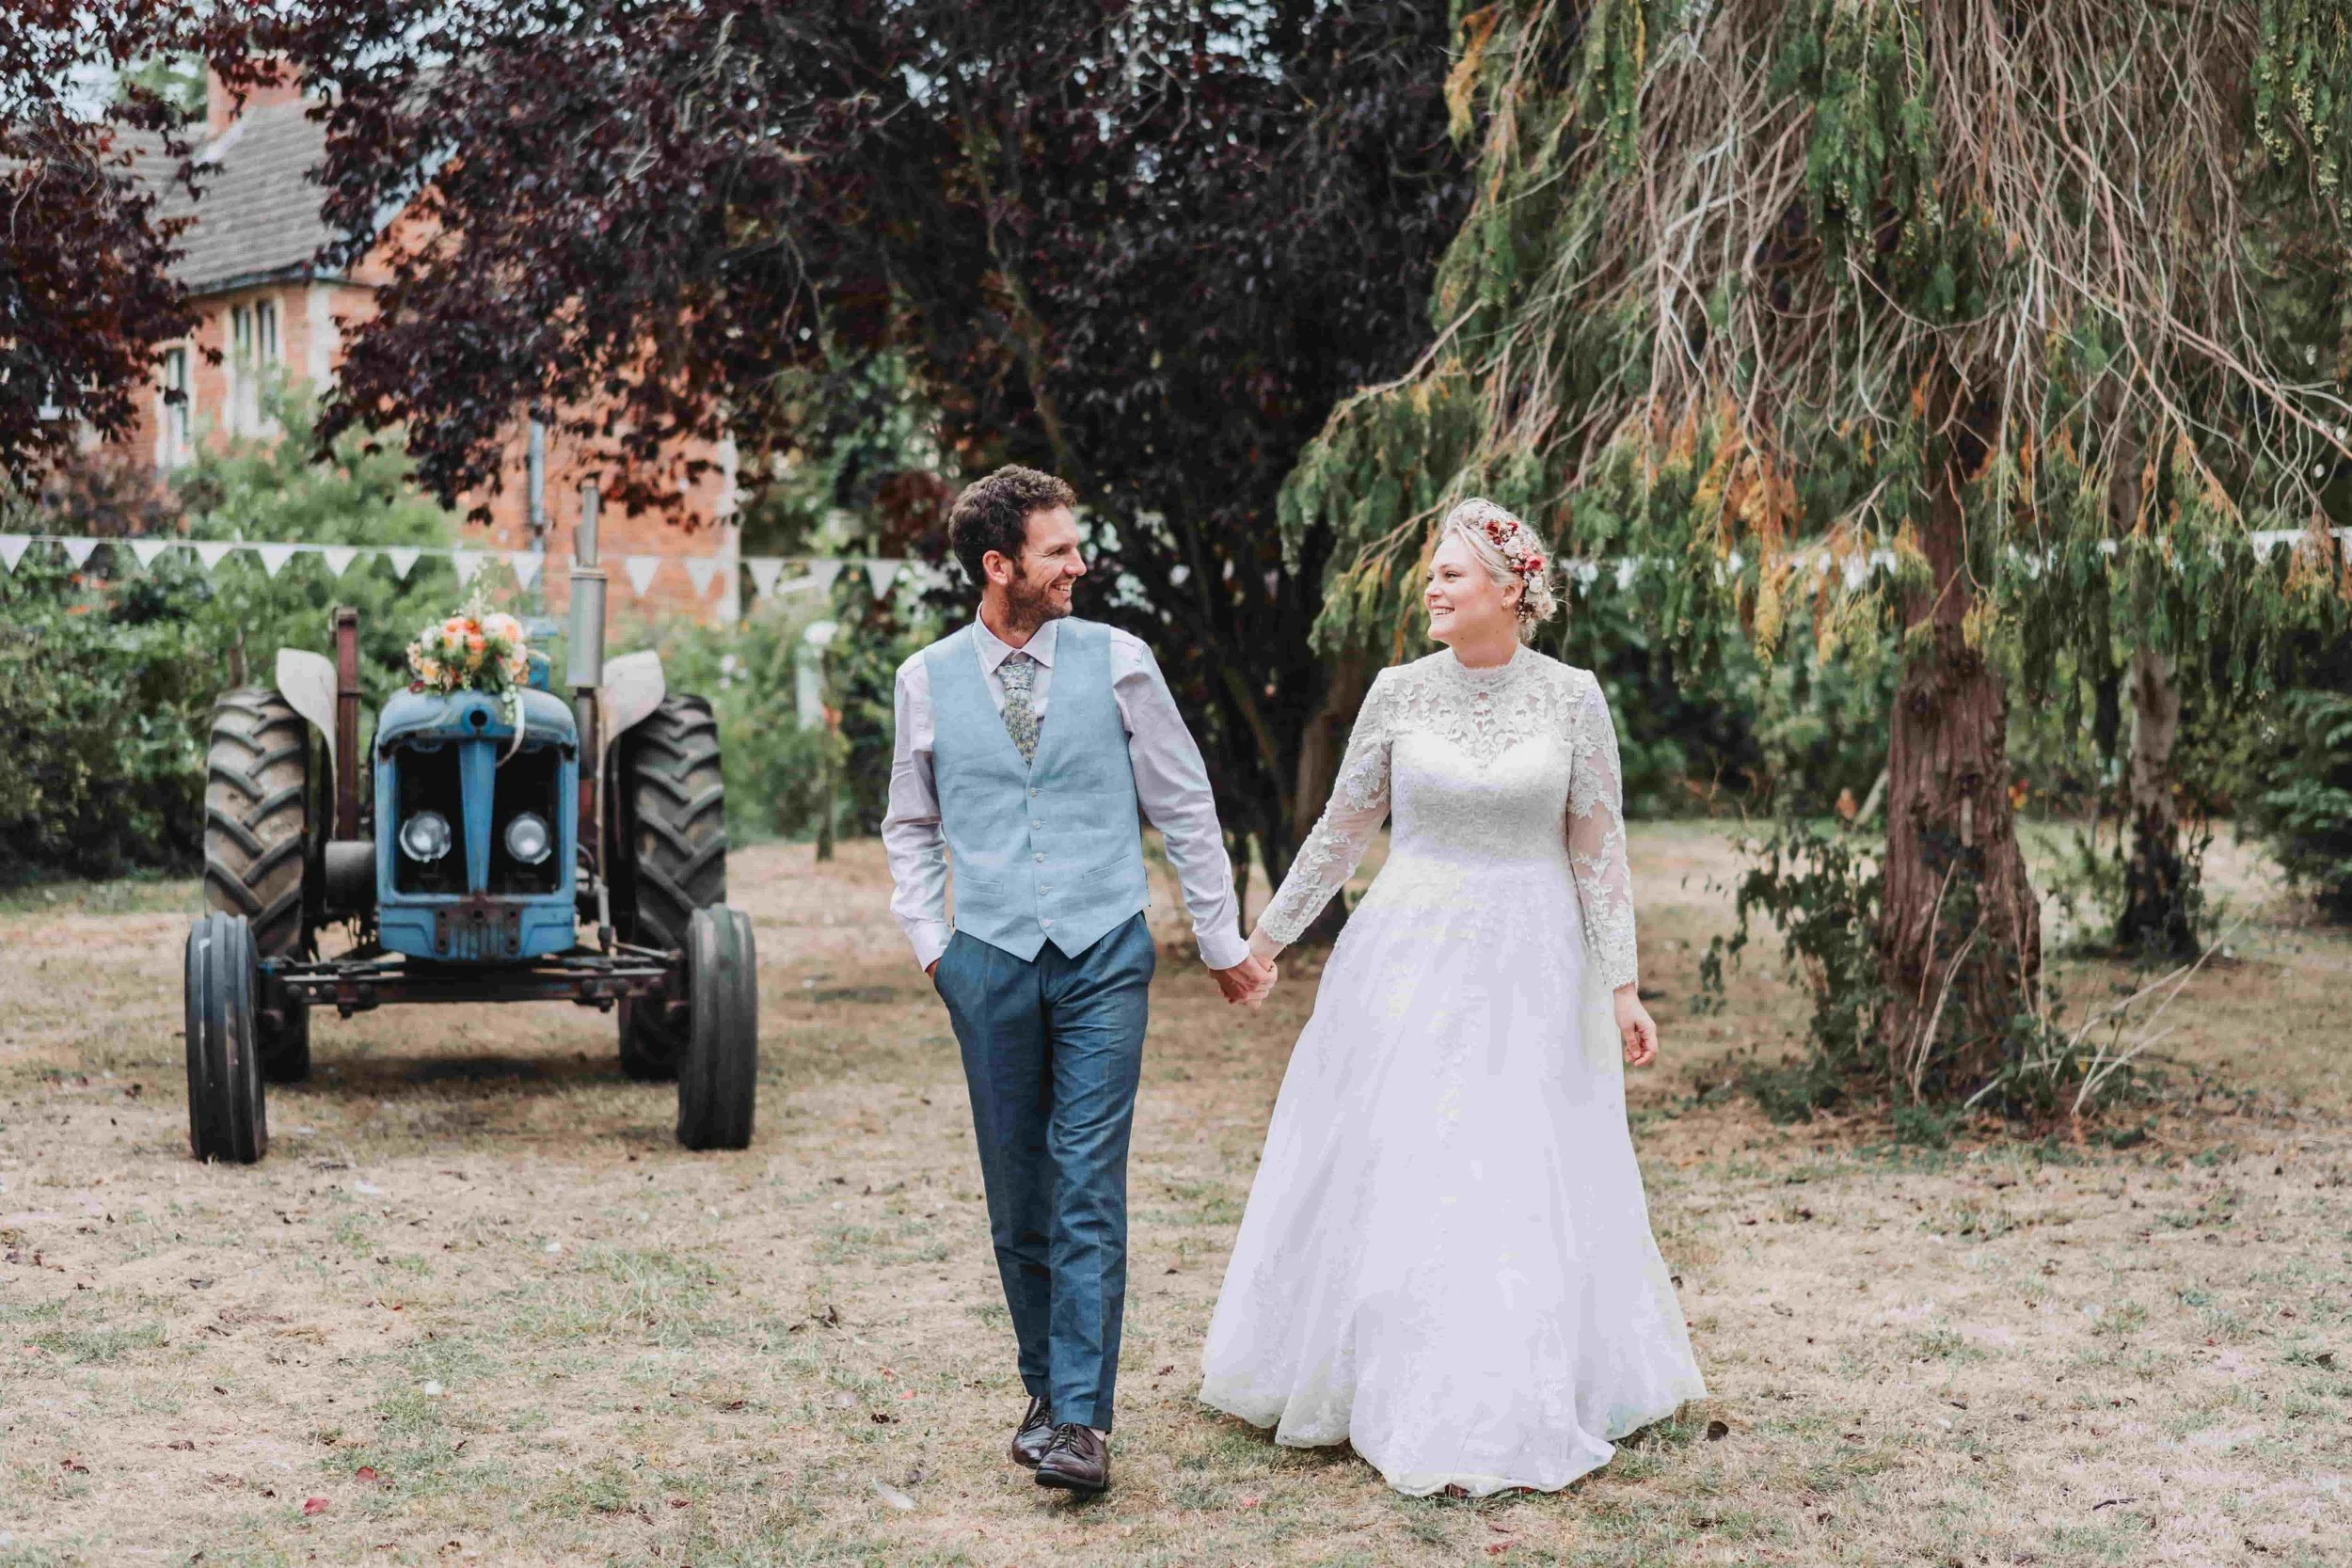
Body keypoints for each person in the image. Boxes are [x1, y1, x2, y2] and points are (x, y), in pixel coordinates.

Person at [1198, 498, 1705, 1497]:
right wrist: (1261, 942)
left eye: (1453, 574)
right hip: (1408, 949)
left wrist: (1621, 983)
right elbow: (1342, 833)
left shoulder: (1573, 698)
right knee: (1404, 1147)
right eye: (1429, 573)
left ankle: (1512, 1381)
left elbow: (1597, 851)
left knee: (1517, 1156)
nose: (1431, 587)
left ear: (1513, 590)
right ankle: (1375, 1371)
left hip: (1534, 956)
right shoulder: (1394, 691)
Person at [882, 465, 1276, 1497]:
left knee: (1085, 1181)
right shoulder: (925, 679)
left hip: (1104, 951)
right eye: (1058, 550)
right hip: (991, 960)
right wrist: (937, 946)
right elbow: (910, 824)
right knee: (1018, 1192)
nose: (1078, 563)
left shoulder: (1119, 660)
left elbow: (1185, 805)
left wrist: (1221, 937)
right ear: (997, 564)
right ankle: (1048, 1390)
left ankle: (1082, 1424)